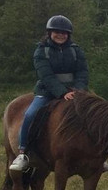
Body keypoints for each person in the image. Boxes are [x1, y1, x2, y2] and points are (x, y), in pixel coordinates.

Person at [9, 15, 91, 172]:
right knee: (30, 114)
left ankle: (97, 156)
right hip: (47, 92)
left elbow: (82, 72)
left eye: (64, 32)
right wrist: (61, 93)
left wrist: (78, 89)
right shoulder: (41, 51)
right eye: (57, 32)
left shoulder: (76, 50)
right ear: (50, 33)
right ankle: (22, 152)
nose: (60, 35)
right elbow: (46, 76)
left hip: (75, 91)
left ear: (68, 34)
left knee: (97, 113)